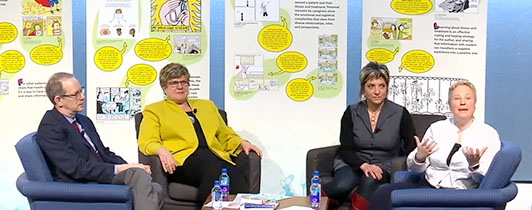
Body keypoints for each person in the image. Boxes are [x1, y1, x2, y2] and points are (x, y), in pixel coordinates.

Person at [138, 63, 263, 203]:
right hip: (182, 162)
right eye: (174, 83)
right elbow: (147, 141)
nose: (180, 86)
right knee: (213, 168)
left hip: (214, 157)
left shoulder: (207, 106)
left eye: (183, 82)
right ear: (164, 87)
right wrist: (161, 150)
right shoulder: (154, 110)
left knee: (234, 174)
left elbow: (225, 135)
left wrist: (242, 143)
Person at [36, 72, 163, 210]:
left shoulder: (83, 121)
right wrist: (121, 169)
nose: (82, 97)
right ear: (59, 100)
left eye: (81, 91)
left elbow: (103, 153)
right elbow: (76, 168)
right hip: (82, 182)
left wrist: (130, 166)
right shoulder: (50, 127)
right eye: (76, 94)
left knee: (155, 188)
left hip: (101, 173)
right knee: (139, 177)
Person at [367, 81, 501, 210]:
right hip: (428, 186)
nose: (462, 102)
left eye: (468, 98)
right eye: (456, 98)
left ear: (475, 103)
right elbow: (414, 169)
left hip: (463, 193)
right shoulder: (437, 128)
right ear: (449, 104)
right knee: (383, 193)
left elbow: (485, 179)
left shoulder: (488, 134)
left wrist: (474, 165)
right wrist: (420, 157)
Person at [323, 62, 416, 210]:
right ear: (363, 89)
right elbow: (346, 147)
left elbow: (412, 146)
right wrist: (363, 165)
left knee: (370, 180)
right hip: (352, 162)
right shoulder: (351, 112)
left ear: (387, 87)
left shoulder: (400, 113)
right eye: (371, 86)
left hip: (383, 164)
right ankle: (313, 202)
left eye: (382, 86)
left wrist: (399, 164)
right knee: (343, 185)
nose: (377, 91)